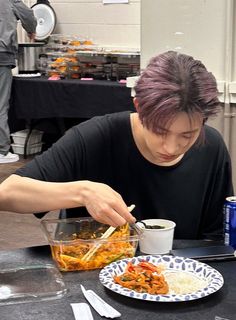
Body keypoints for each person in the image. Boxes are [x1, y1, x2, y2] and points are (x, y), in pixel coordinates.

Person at [0, 51, 233, 239]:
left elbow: (215, 238)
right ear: (139, 107)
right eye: (159, 131)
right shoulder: (97, 137)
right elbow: (7, 194)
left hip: (179, 281)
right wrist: (82, 192)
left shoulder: (211, 148)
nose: (170, 148)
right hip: (94, 274)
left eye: (187, 135)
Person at [0, 0, 37, 163]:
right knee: (0, 104)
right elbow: (28, 15)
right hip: (1, 55)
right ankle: (2, 150)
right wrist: (31, 31)